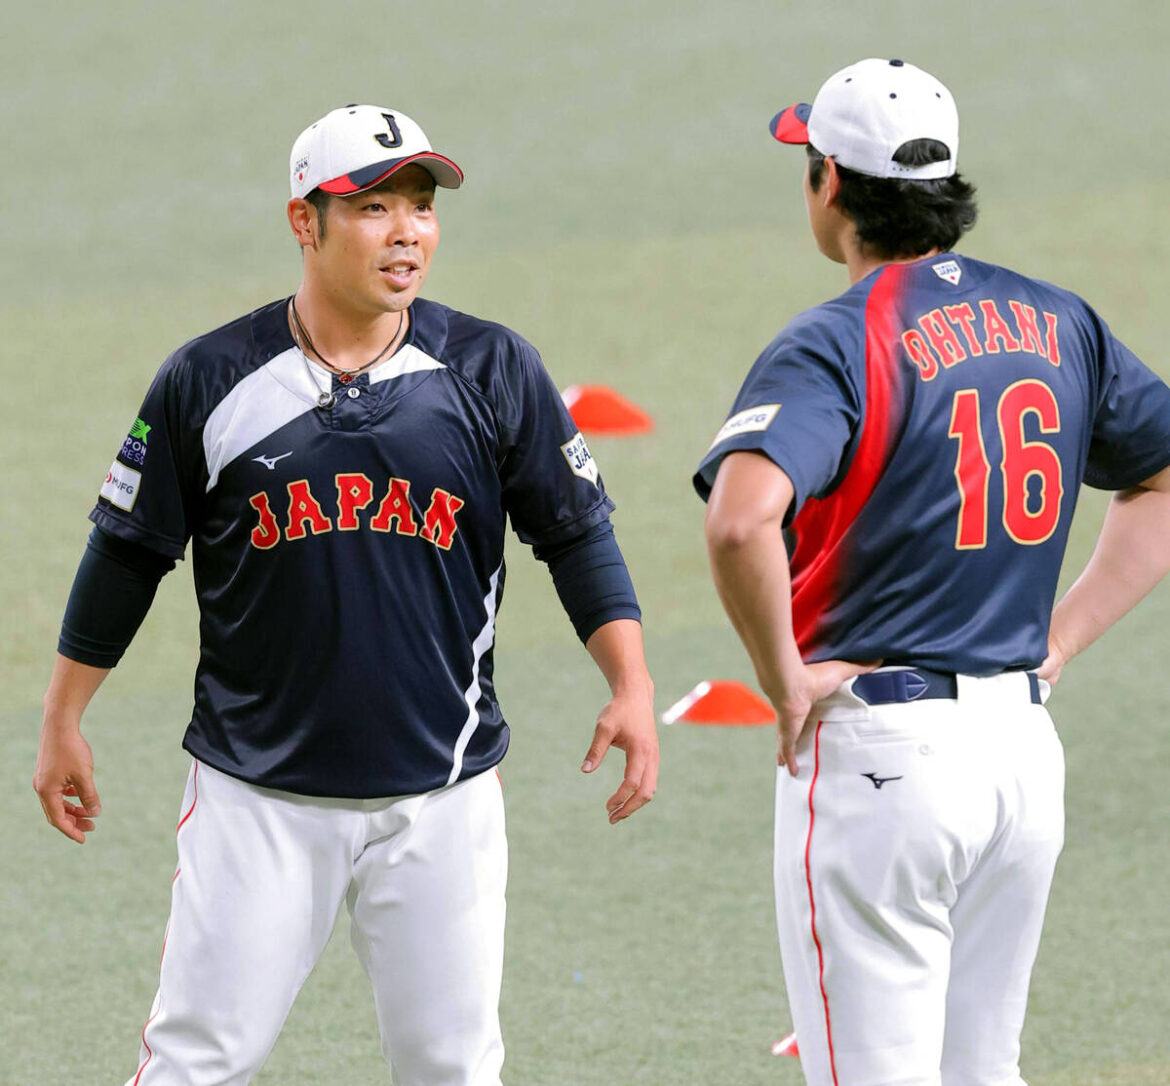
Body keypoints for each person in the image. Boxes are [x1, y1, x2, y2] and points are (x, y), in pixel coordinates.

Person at [33, 103, 658, 1086]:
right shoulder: (208, 380)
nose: (407, 230)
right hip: (256, 799)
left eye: (420, 206)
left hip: (442, 799)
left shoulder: (491, 369)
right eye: (372, 207)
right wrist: (64, 715)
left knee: (451, 1068)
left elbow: (575, 533)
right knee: (197, 1062)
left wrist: (628, 683)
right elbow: (125, 554)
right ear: (304, 221)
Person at [695, 58, 1170, 1086]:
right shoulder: (1059, 319)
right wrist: (1061, 640)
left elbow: (742, 524)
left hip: (883, 759)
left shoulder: (833, 338)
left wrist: (781, 682)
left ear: (830, 183)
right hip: (1019, 754)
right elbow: (1161, 480)